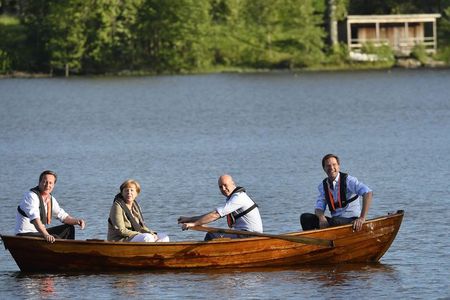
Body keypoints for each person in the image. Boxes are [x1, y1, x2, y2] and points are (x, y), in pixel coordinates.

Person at [300, 154, 373, 232]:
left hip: (351, 220)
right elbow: (319, 208)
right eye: (328, 166)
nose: (331, 168)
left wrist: (362, 218)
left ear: (338, 166)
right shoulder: (323, 186)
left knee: (334, 221)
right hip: (335, 221)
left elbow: (368, 193)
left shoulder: (349, 180)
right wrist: (322, 218)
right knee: (305, 217)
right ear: (324, 169)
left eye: (334, 165)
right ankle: (313, 242)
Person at [178, 174, 263, 241]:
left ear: (233, 184)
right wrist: (189, 219)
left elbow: (215, 215)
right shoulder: (233, 197)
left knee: (211, 235)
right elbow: (212, 214)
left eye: (225, 185)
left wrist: (194, 224)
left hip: (251, 235)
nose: (223, 188)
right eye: (220, 187)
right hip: (242, 233)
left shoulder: (239, 198)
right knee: (213, 234)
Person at [15, 170, 86, 243]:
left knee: (69, 228)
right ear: (39, 183)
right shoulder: (31, 196)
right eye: (45, 182)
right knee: (54, 237)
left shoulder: (50, 199)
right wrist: (46, 235)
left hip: (38, 233)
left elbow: (63, 216)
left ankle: (70, 252)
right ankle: (63, 252)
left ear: (53, 185)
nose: (47, 185)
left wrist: (77, 221)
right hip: (24, 235)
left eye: (50, 183)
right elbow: (35, 219)